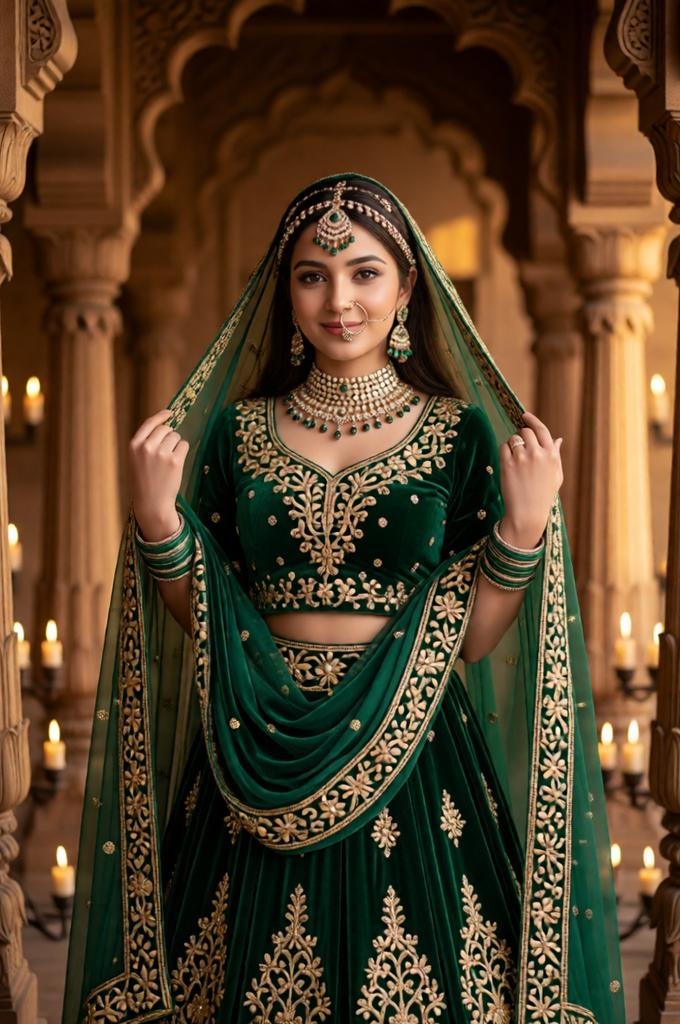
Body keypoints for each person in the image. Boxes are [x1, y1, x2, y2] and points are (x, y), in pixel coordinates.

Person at [61, 174, 624, 1023]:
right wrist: (154, 521)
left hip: (415, 758)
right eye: (312, 275)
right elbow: (206, 613)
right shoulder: (239, 432)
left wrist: (521, 528)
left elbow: (472, 641)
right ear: (285, 293)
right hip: (256, 748)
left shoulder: (456, 432)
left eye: (364, 273)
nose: (340, 299)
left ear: (406, 289)